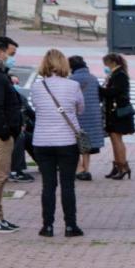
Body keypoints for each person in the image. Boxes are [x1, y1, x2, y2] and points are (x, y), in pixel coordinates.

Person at [30, 49, 85, 238]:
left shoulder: (37, 87)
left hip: (42, 141)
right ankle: (70, 225)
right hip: (67, 140)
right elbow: (80, 109)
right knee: (68, 185)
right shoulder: (73, 85)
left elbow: (36, 107)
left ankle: (47, 226)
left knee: (48, 185)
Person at [0, 38, 23, 234]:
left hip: (0, 133)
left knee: (0, 177)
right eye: (11, 54)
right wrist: (4, 130)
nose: (12, 58)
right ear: (0, 53)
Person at [98, 53, 135, 180]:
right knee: (114, 139)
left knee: (117, 139)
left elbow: (114, 92)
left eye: (106, 64)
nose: (105, 67)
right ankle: (118, 165)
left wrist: (99, 89)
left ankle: (122, 166)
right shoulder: (115, 74)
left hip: (118, 112)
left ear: (113, 62)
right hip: (113, 111)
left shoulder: (120, 75)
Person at [68, 56, 105, 181]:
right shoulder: (93, 78)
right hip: (93, 115)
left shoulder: (71, 80)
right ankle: (86, 169)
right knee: (86, 143)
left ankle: (79, 169)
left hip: (77, 115)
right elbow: (99, 96)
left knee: (74, 143)